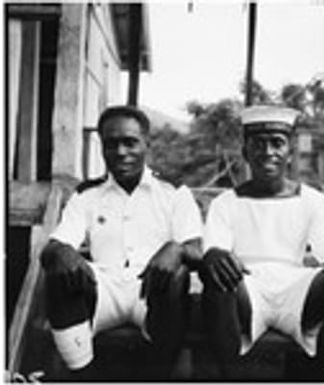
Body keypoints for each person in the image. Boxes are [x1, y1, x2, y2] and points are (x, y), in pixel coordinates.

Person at [199, 105, 324, 380]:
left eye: (277, 143)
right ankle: (231, 376)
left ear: (290, 153)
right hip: (247, 288)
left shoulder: (311, 199)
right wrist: (214, 256)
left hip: (296, 288)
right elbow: (215, 251)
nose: (268, 152)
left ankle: (322, 377)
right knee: (217, 275)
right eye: (258, 144)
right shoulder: (225, 203)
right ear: (245, 152)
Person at [40, 105, 203, 380]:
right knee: (59, 267)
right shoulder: (87, 195)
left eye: (130, 142)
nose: (121, 152)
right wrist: (62, 251)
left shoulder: (173, 192)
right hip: (104, 291)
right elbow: (53, 248)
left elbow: (197, 250)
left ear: (147, 144)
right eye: (111, 144)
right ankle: (83, 375)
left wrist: (175, 249)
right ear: (102, 147)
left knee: (177, 274)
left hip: (153, 293)